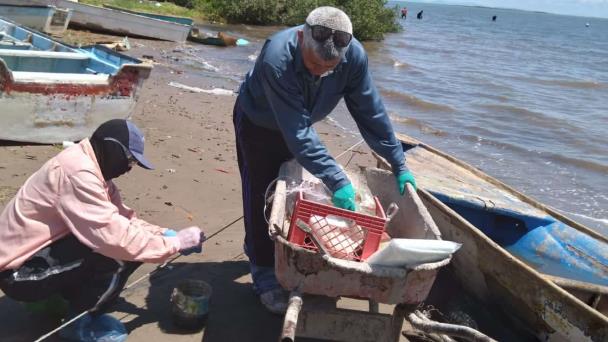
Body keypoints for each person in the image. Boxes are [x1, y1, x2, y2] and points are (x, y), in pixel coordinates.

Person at [233, 6, 416, 314]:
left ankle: (284, 256)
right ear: (302, 37)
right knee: (260, 195)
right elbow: (299, 132)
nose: (320, 71)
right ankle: (263, 274)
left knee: (291, 194)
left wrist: (398, 162)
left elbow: (370, 112)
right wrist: (337, 180)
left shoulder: (354, 56)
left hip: (297, 126)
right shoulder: (278, 57)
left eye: (329, 67)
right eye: (315, 63)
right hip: (260, 125)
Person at [0, 119, 205, 341]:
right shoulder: (78, 173)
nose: (128, 169)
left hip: (32, 257)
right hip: (18, 274)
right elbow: (115, 238)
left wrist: (166, 234)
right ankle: (77, 326)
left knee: (127, 241)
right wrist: (174, 245)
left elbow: (124, 219)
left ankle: (57, 300)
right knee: (119, 254)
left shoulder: (91, 168)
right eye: (128, 160)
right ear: (111, 147)